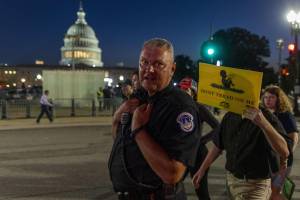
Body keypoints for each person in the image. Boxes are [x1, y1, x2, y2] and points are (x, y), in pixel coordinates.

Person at [109, 38, 201, 199]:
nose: (149, 69)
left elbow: (172, 174)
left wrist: (138, 130)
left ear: (172, 69)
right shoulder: (141, 96)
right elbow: (121, 141)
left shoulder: (180, 107)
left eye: (158, 64)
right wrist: (117, 117)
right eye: (144, 62)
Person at [192, 105, 290, 199]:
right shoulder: (230, 115)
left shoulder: (265, 116)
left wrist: (263, 123)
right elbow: (218, 145)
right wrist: (202, 169)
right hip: (231, 181)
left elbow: (285, 151)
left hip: (255, 185)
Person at [178, 77, 219, 200]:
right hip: (182, 153)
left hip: (198, 154)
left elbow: (218, 127)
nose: (184, 92)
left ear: (193, 92)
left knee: (201, 190)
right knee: (174, 185)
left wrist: (201, 140)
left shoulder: (198, 107)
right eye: (181, 89)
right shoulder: (175, 107)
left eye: (187, 89)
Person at [261, 85, 298, 200]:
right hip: (268, 161)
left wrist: (285, 159)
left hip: (282, 164)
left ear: (279, 99)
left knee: (275, 192)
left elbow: (294, 139)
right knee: (268, 192)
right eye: (265, 97)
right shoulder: (263, 114)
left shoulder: (285, 115)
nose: (267, 100)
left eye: (271, 97)